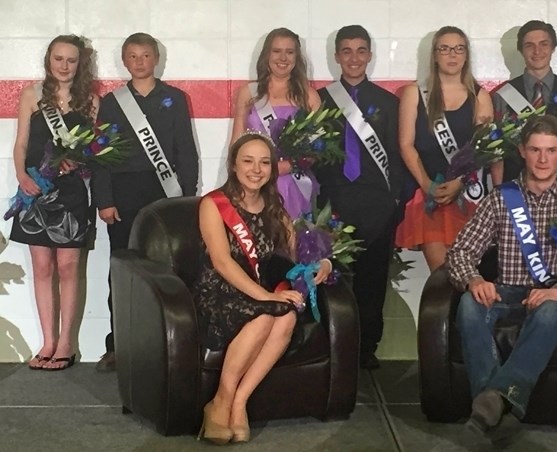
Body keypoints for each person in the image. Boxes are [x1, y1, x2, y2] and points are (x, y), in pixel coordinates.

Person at [446, 115, 557, 443]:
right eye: (535, 149)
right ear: (522, 150)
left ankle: (488, 406)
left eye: (550, 150)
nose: (542, 158)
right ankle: (500, 404)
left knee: (550, 310)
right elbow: (461, 252)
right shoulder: (501, 198)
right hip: (507, 292)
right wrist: (474, 280)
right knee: (469, 303)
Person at [193, 132, 331, 444]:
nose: (256, 169)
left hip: (259, 292)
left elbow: (298, 255)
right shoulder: (213, 204)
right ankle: (221, 401)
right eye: (248, 161)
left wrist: (324, 264)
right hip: (221, 291)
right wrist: (266, 296)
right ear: (233, 165)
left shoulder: (275, 209)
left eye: (264, 162)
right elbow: (222, 263)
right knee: (268, 314)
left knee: (287, 315)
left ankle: (236, 402)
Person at [93, 32, 199, 372]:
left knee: (169, 269)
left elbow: (186, 151)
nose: (140, 62)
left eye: (146, 55)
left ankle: (168, 345)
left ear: (157, 59)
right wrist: (104, 200)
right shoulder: (112, 102)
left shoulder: (176, 99)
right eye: (133, 56)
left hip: (165, 194)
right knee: (122, 271)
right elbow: (101, 155)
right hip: (123, 196)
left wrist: (185, 197)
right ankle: (119, 345)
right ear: (125, 61)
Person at [10, 35, 100, 371]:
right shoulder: (32, 96)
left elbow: (94, 150)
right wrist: (21, 176)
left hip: (73, 192)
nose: (64, 66)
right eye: (58, 59)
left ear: (80, 64)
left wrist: (80, 162)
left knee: (68, 267)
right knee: (42, 268)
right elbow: (21, 143)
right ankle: (47, 341)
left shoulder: (90, 101)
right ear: (49, 60)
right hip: (36, 188)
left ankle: (66, 344)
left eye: (71, 60)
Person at [316, 25, 402, 369]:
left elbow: (397, 156)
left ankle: (366, 349)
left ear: (370, 55)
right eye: (347, 51)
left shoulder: (388, 103)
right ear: (337, 56)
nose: (354, 58)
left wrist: (395, 202)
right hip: (332, 203)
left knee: (372, 280)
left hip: (376, 205)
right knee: (329, 278)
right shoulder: (319, 100)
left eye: (361, 50)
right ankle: (333, 345)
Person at [395, 26, 499, 271]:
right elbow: (405, 144)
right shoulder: (414, 93)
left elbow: (483, 149)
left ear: (466, 55)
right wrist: (427, 185)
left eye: (458, 49)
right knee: (442, 276)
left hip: (468, 195)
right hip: (429, 196)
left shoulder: (480, 97)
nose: (452, 55)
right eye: (445, 49)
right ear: (434, 55)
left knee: (469, 275)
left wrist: (460, 182)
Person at [231, 27, 321, 219]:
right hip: (254, 181)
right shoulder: (248, 93)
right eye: (277, 51)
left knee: (292, 243)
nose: (283, 58)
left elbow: (318, 148)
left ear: (297, 57)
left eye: (289, 52)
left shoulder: (310, 96)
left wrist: (287, 166)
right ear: (266, 55)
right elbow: (236, 143)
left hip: (294, 183)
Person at [493, 20, 557, 181]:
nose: (537, 51)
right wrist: (499, 193)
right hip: (514, 190)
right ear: (521, 50)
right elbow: (496, 152)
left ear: (553, 48)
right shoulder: (502, 95)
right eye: (529, 45)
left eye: (544, 44)